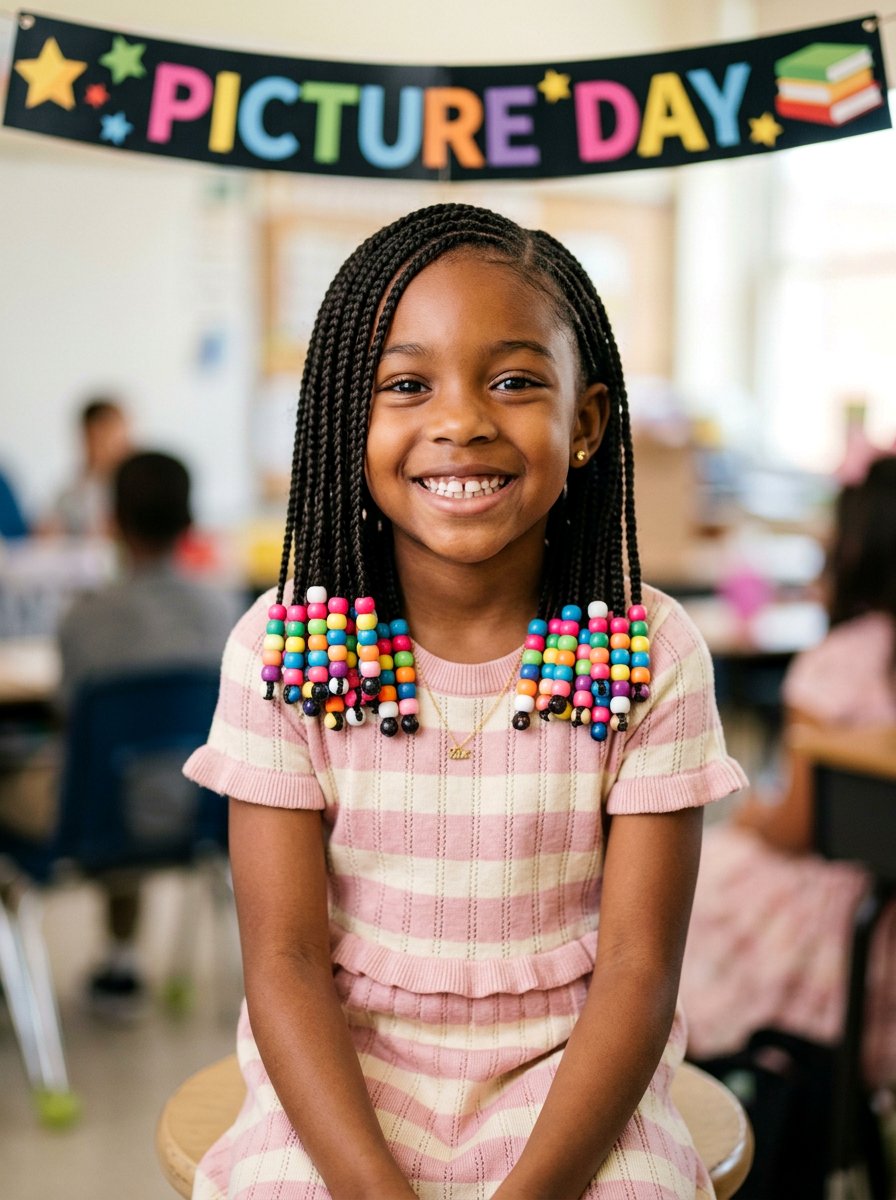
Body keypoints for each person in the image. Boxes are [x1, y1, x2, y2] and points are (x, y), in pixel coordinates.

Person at [183, 203, 747, 1200]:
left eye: (515, 381)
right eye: (405, 385)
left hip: (571, 1074)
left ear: (583, 424)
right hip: (345, 1069)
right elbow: (281, 961)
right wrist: (370, 1189)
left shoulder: (647, 652)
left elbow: (634, 971)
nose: (460, 420)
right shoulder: (283, 649)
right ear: (344, 424)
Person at [680, 454, 896, 1089]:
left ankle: (727, 1080)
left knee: (699, 875)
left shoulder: (839, 663)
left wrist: (756, 816)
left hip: (849, 916)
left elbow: (800, 826)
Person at [0, 450, 240, 1015]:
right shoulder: (225, 611)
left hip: (94, 820)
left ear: (112, 521)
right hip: (205, 817)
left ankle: (28, 980)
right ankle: (121, 958)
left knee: (88, 769)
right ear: (189, 521)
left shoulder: (84, 619)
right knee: (139, 765)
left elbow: (68, 724)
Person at [40, 396, 133, 537]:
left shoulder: (141, 488)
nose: (105, 449)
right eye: (98, 440)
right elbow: (49, 530)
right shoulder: (72, 492)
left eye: (112, 438)